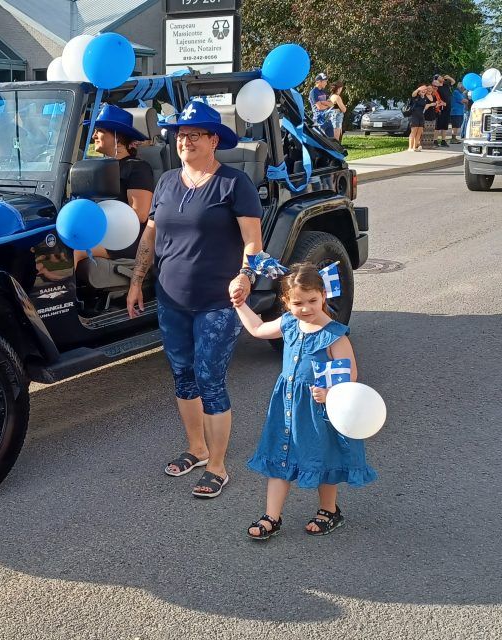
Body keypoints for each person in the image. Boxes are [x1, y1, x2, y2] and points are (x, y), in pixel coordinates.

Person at [126, 98, 264, 499]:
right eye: (180, 135)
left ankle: (218, 467)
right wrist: (137, 281)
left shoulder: (233, 184)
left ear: (214, 140)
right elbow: (150, 235)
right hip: (171, 300)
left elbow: (252, 240)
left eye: (194, 135)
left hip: (217, 304)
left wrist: (245, 275)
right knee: (183, 376)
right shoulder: (167, 181)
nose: (184, 141)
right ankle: (197, 449)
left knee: (210, 380)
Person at [232, 263, 376, 539]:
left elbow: (350, 375)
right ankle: (271, 516)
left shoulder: (334, 334)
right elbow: (258, 329)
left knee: (323, 456)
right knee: (280, 454)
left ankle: (328, 510)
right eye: (298, 302)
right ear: (286, 302)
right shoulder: (288, 323)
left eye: (312, 300)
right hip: (288, 404)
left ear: (323, 295)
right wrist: (240, 304)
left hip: (319, 408)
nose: (306, 308)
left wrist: (331, 394)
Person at [74, 104, 154, 265]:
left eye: (100, 131)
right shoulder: (98, 167)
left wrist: (98, 218)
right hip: (101, 233)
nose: (94, 135)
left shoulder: (138, 168)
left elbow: (140, 214)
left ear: (117, 136)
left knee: (74, 251)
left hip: (125, 240)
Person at [406, 86, 433, 152]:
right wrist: (418, 89)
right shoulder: (416, 96)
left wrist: (430, 105)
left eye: (425, 90)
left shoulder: (425, 98)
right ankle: (410, 147)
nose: (423, 91)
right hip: (414, 115)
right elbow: (413, 94)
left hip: (421, 116)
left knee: (419, 132)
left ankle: (414, 147)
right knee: (413, 132)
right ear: (419, 91)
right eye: (422, 90)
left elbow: (427, 105)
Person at [434, 76, 455, 147]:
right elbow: (435, 96)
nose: (442, 77)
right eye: (440, 77)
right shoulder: (436, 87)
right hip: (440, 108)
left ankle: (443, 140)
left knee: (445, 125)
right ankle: (435, 140)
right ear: (436, 79)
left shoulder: (446, 85)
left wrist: (449, 77)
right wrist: (441, 102)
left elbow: (453, 82)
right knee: (438, 125)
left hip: (447, 107)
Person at [449, 78, 467, 144]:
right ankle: (453, 138)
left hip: (459, 112)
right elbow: (463, 101)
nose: (464, 89)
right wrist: (468, 101)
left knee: (457, 126)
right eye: (463, 88)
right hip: (455, 112)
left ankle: (454, 138)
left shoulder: (460, 93)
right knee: (455, 126)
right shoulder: (456, 92)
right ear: (460, 87)